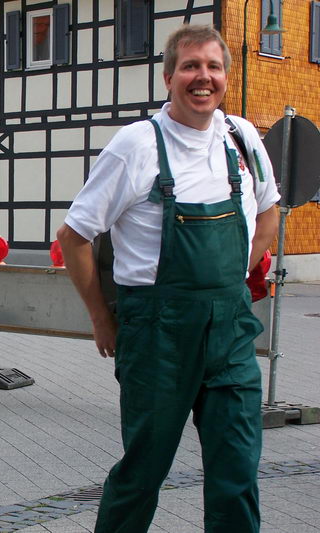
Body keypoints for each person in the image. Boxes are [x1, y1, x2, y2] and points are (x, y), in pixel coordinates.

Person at [56, 25, 280, 533]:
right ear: (168, 77)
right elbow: (73, 237)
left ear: (225, 75)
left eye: (213, 67)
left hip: (231, 331)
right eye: (190, 66)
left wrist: (237, 272)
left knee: (237, 472)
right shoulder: (137, 145)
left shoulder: (242, 138)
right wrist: (101, 319)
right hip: (158, 333)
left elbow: (270, 212)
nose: (203, 77)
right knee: (144, 470)